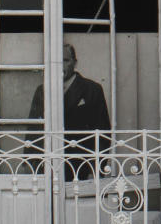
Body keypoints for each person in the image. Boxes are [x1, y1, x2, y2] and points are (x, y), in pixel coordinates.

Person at [29, 43, 111, 180]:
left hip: (81, 167)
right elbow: (33, 130)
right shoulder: (42, 90)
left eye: (65, 61)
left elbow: (103, 132)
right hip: (50, 167)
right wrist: (32, 164)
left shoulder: (92, 90)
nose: (60, 66)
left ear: (75, 63)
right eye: (56, 62)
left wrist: (95, 168)